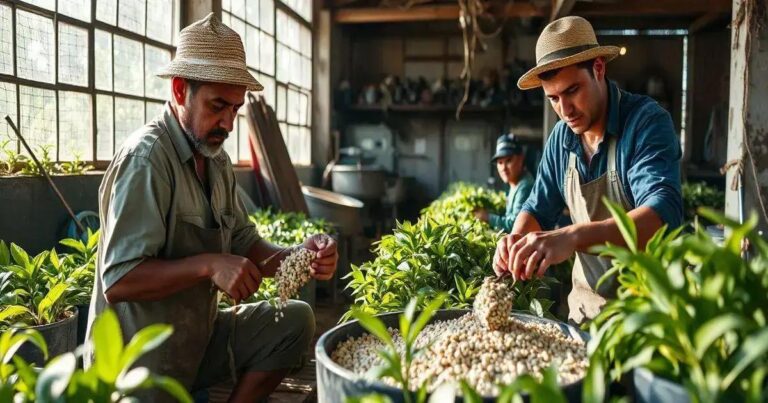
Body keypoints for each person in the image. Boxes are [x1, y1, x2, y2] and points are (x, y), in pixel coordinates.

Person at [84, 13, 338, 402]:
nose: (228, 123)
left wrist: (299, 257)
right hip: (136, 363)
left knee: (295, 320)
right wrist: (209, 264)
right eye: (218, 106)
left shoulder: (215, 161)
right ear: (180, 90)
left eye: (235, 109)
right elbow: (118, 281)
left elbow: (245, 242)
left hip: (193, 342)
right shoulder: (148, 159)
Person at [492, 16, 682, 324]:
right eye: (553, 98)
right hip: (586, 316)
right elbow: (538, 207)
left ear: (598, 68)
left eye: (572, 91)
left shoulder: (645, 123)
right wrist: (514, 241)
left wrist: (572, 237)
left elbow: (661, 215)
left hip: (648, 321)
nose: (564, 110)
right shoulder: (561, 139)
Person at [475, 133, 534, 232]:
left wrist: (487, 217)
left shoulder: (525, 186)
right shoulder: (514, 183)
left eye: (509, 160)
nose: (503, 168)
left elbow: (515, 225)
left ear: (521, 159)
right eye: (500, 162)